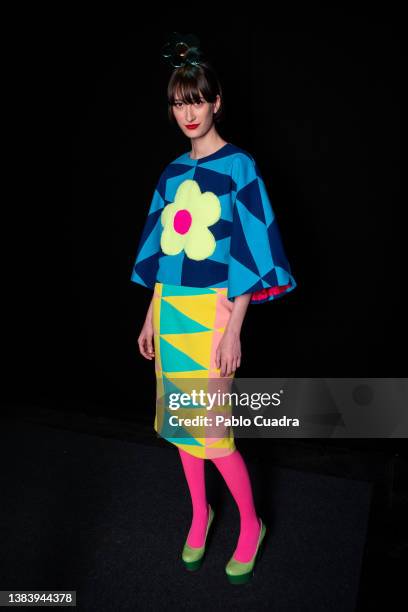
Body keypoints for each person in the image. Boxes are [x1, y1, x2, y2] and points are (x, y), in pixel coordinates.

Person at [130, 33, 297, 584]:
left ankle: (250, 523)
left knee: (214, 432)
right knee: (182, 425)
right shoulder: (171, 173)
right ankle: (200, 515)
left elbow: (250, 252)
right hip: (172, 312)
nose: (188, 112)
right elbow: (163, 255)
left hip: (215, 317)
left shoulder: (240, 167)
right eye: (179, 102)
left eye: (197, 99)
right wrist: (151, 315)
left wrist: (234, 331)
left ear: (217, 100)